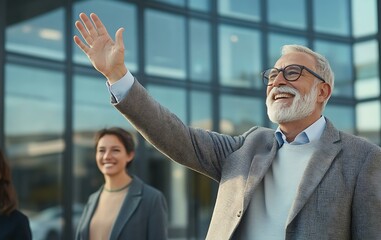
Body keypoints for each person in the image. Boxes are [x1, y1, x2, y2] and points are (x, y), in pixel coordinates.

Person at [73, 12, 381, 239]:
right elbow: (176, 136)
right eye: (272, 75)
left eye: (293, 72)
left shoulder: (361, 158)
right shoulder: (247, 146)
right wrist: (118, 76)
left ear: (323, 91)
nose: (277, 81)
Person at [75, 127, 168, 240]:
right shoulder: (92, 200)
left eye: (115, 150)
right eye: (101, 150)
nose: (107, 156)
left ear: (130, 155)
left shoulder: (151, 199)